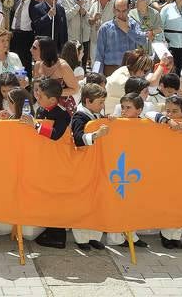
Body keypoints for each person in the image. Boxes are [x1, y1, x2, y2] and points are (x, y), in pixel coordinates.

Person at [69, 83, 110, 250]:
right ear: (88, 101)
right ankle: (82, 238)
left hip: (97, 166)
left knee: (97, 201)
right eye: (100, 102)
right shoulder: (79, 116)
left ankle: (94, 236)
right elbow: (78, 139)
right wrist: (96, 135)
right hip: (83, 166)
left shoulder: (95, 114)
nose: (102, 105)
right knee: (83, 201)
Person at [96, 0, 149, 76]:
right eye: (118, 11)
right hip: (111, 70)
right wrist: (98, 75)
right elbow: (99, 55)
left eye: (124, 11)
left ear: (128, 9)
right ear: (114, 10)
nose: (121, 14)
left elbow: (143, 41)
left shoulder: (134, 25)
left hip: (130, 70)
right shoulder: (105, 28)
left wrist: (128, 30)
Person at [9, 0, 38, 78]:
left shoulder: (35, 5)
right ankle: (15, 79)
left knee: (24, 61)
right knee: (13, 59)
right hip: (14, 34)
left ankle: (25, 82)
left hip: (25, 36)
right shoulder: (16, 0)